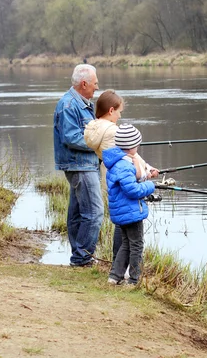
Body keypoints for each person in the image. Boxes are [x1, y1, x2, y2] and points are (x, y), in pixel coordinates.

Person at [83, 90, 159, 262]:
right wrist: (148, 173)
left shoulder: (94, 127)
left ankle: (118, 265)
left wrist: (146, 167)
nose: (119, 116)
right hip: (123, 183)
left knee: (120, 221)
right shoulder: (111, 131)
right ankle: (120, 265)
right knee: (125, 226)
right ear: (111, 110)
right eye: (119, 112)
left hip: (110, 179)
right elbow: (129, 157)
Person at [53, 64, 103, 267]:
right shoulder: (68, 105)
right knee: (94, 213)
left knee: (77, 212)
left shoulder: (82, 103)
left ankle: (78, 256)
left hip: (84, 165)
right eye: (95, 83)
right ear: (84, 83)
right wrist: (101, 145)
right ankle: (82, 259)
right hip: (79, 166)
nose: (96, 88)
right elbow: (71, 137)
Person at [102, 124, 155, 285]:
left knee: (126, 244)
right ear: (132, 146)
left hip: (122, 212)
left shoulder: (117, 163)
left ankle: (115, 276)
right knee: (136, 245)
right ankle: (134, 279)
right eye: (137, 144)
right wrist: (150, 186)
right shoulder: (125, 166)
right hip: (130, 212)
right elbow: (132, 190)